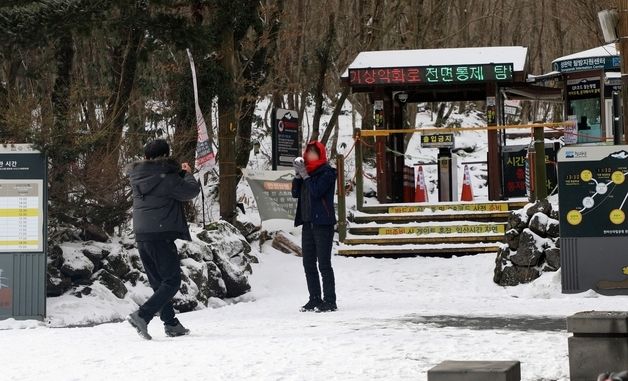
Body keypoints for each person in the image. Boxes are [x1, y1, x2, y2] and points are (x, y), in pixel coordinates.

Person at [125, 139, 201, 340]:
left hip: (142, 235)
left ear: (147, 157)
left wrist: (179, 174)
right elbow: (190, 191)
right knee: (172, 281)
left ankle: (171, 323)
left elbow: (164, 187)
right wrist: (188, 174)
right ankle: (142, 315)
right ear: (166, 155)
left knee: (159, 283)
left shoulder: (138, 176)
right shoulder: (167, 177)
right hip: (161, 234)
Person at [292, 140, 338, 313]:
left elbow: (317, 191)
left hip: (323, 223)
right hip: (307, 222)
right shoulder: (307, 174)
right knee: (308, 263)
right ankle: (314, 298)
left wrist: (305, 176)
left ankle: (330, 300)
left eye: (313, 153)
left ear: (320, 155)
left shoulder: (327, 172)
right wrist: (298, 176)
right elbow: (295, 193)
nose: (309, 156)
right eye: (308, 153)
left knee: (324, 264)